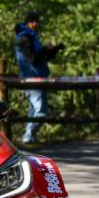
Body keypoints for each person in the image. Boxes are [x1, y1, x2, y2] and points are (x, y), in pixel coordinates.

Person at [14, 11, 64, 145]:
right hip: (32, 78)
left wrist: (54, 49)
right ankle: (28, 136)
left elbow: (42, 58)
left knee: (33, 111)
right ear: (28, 23)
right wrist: (45, 49)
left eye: (37, 21)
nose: (36, 24)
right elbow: (33, 59)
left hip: (37, 77)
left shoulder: (31, 36)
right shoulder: (24, 38)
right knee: (41, 112)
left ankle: (29, 137)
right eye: (33, 21)